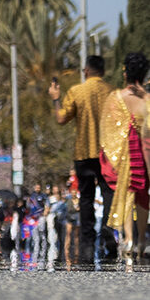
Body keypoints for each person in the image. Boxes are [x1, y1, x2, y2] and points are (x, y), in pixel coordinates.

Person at [49, 55, 115, 266]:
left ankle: (86, 245)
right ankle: (107, 228)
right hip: (107, 152)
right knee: (108, 193)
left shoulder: (77, 91)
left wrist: (55, 98)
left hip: (83, 152)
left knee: (86, 198)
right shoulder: (112, 92)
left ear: (86, 70)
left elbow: (61, 118)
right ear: (103, 72)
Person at [100, 51, 149, 267]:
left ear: (125, 71)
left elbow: (107, 128)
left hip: (124, 154)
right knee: (143, 195)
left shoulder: (115, 97)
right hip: (144, 153)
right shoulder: (147, 99)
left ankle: (128, 240)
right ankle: (141, 240)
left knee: (128, 194)